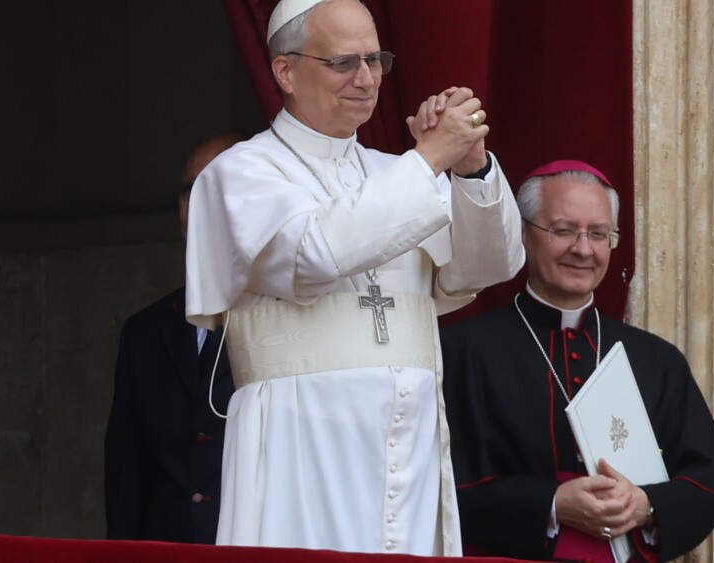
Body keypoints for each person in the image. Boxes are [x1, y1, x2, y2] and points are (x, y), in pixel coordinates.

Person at [183, 0, 524, 556]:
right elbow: (313, 254)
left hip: (408, 445)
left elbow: (490, 264)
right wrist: (430, 157)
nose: (366, 79)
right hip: (299, 440)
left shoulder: (398, 173)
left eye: (375, 60)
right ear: (285, 71)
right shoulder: (240, 173)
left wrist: (469, 168)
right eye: (344, 62)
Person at [441, 160, 714, 562]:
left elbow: (709, 486)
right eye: (563, 230)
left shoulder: (657, 359)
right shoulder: (465, 350)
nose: (583, 249)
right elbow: (443, 491)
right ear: (524, 234)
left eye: (598, 234)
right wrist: (552, 504)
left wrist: (644, 505)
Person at [104, 132, 243, 544]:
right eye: (189, 191)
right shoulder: (144, 332)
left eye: (217, 188)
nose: (199, 206)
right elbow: (128, 477)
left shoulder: (298, 319)